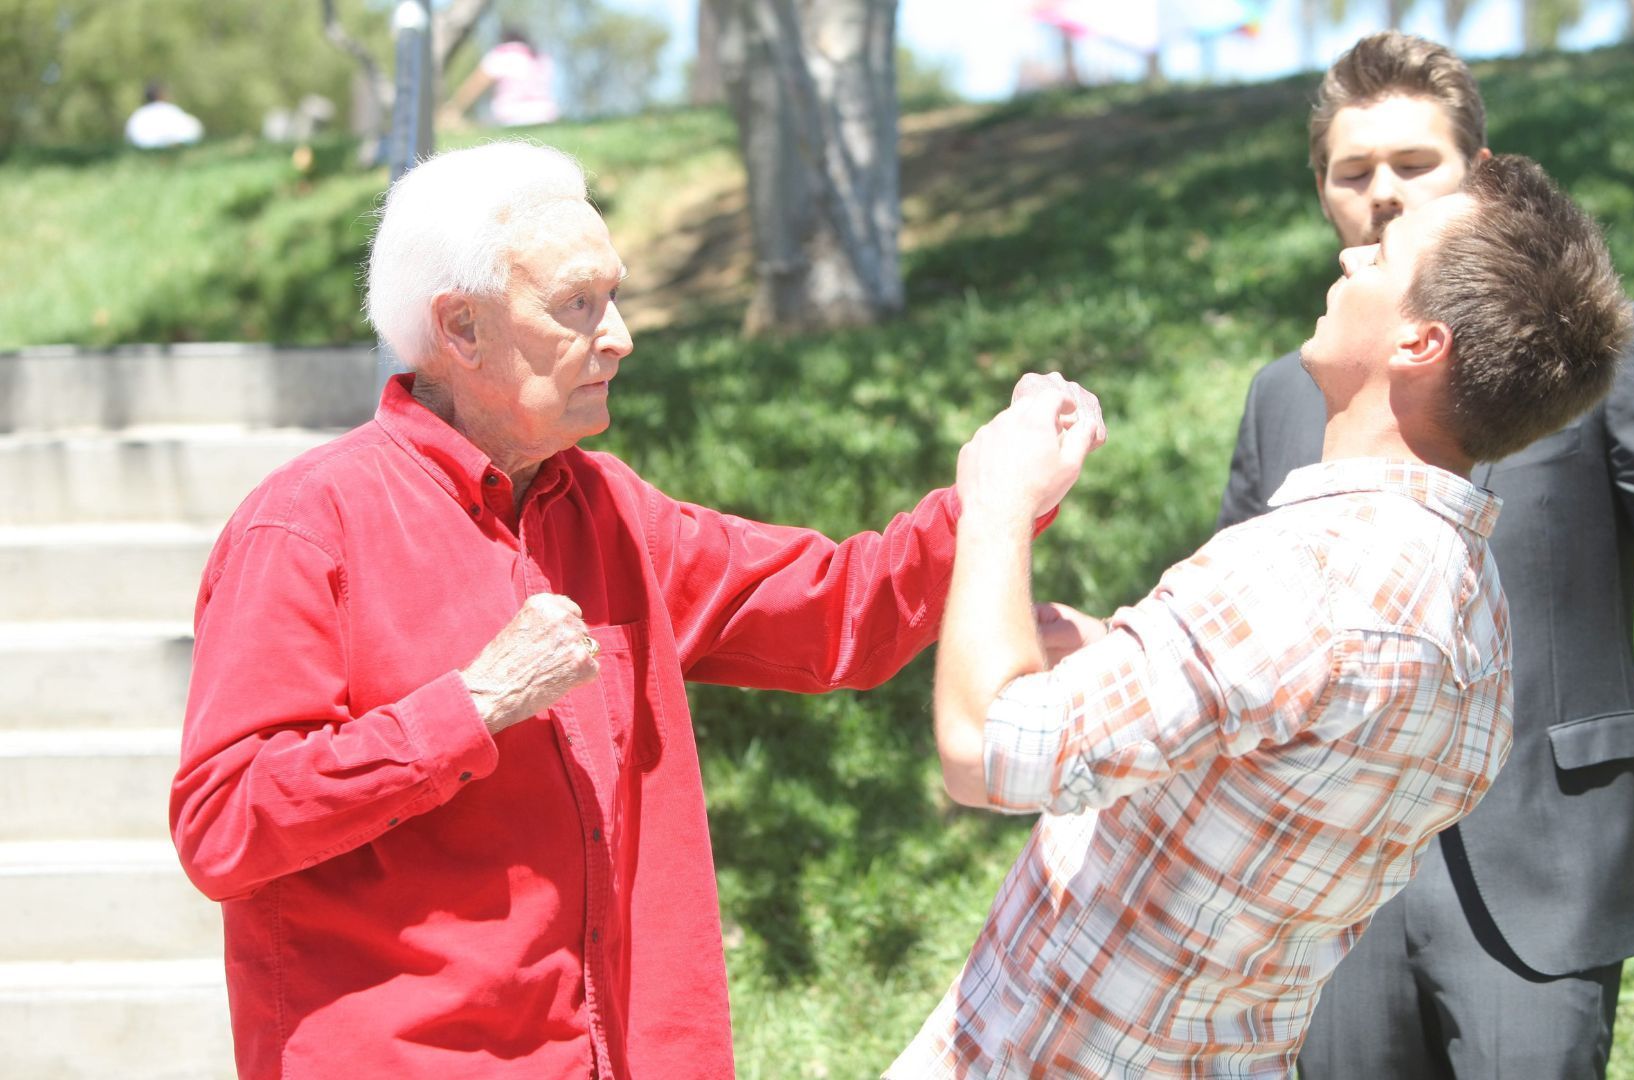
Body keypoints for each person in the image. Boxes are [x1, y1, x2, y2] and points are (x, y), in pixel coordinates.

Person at [169, 139, 1100, 1080]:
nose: (620, 335)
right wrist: (470, 705)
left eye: (612, 297)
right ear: (461, 330)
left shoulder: (610, 507)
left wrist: (999, 501)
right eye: (578, 305)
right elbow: (224, 824)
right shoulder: (306, 526)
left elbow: (836, 613)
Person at [890, 154, 1634, 1077]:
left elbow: (986, 748)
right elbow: (1278, 765)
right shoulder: (1474, 616)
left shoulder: (1303, 574)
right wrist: (1116, 652)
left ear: (1419, 344)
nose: (1356, 257)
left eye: (1386, 255)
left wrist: (997, 500)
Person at [1213, 32, 1634, 1078]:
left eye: (1413, 163)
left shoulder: (1596, 348)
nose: (1382, 194)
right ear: (1323, 191)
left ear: (1478, 173)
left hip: (1543, 858)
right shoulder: (1284, 392)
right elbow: (1236, 637)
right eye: (1354, 173)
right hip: (1328, 889)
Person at [443, 26, 561, 128]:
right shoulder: (540, 56)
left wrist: (454, 108)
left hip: (510, 116)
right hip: (545, 115)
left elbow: (476, 84)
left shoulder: (502, 54)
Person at [125, 81, 203, 149]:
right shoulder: (171, 110)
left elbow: (130, 138)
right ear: (161, 94)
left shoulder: (138, 114)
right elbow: (191, 132)